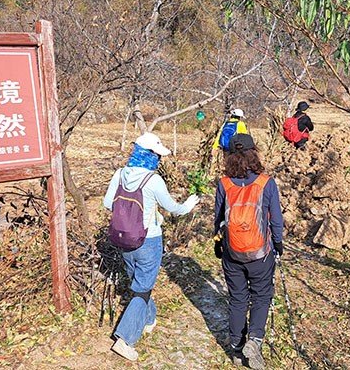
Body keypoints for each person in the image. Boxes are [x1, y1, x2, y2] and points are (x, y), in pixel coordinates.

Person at [103, 132, 200, 362]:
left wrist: (127, 217)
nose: (159, 159)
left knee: (140, 283)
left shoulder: (119, 174)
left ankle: (148, 319)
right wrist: (188, 204)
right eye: (157, 155)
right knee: (143, 288)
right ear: (150, 156)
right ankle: (125, 339)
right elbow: (173, 208)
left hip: (124, 239)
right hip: (149, 240)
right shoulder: (153, 180)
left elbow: (108, 203)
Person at [213, 133, 284, 369]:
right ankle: (254, 341)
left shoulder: (223, 183)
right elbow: (276, 220)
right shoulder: (266, 182)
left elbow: (218, 219)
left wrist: (217, 242)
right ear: (255, 152)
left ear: (230, 156)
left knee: (237, 299)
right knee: (261, 296)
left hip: (232, 252)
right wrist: (278, 243)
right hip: (260, 254)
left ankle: (236, 349)